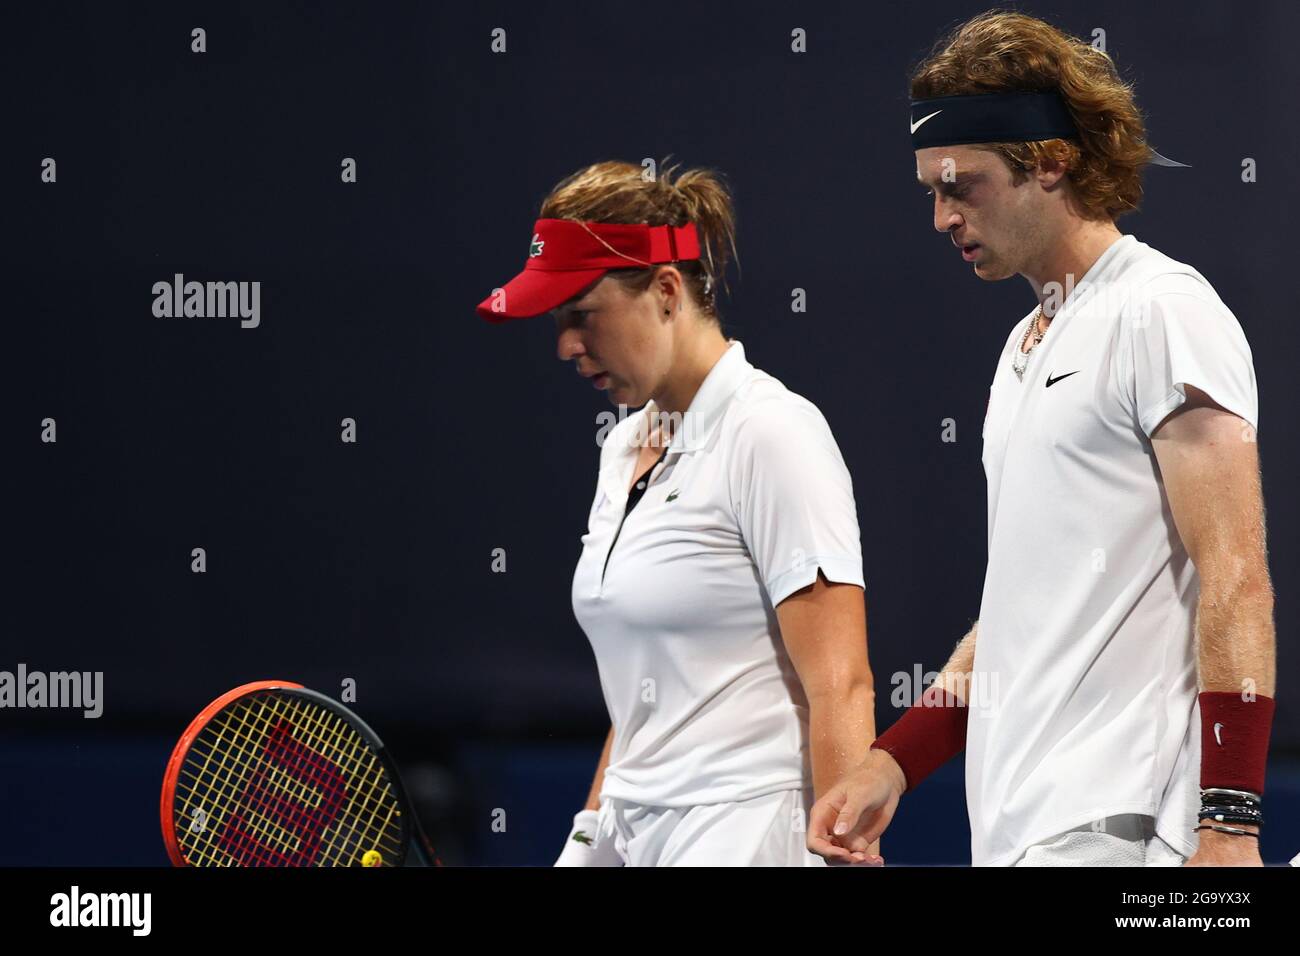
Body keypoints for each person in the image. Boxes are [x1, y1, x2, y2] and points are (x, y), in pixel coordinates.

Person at [809, 11, 1275, 867]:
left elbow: (1237, 575)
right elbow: (1025, 615)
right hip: (1024, 832)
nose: (942, 217)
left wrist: (1230, 827)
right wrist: (894, 761)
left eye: (963, 186)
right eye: (931, 193)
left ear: (1052, 162)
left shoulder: (1162, 311)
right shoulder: (1024, 349)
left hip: (1123, 829)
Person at [477, 160, 877, 866]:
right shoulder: (625, 441)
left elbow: (841, 685)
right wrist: (588, 834)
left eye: (582, 315)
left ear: (665, 291)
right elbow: (644, 696)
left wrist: (845, 854)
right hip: (632, 830)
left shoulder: (773, 433)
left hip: (747, 830)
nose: (566, 345)